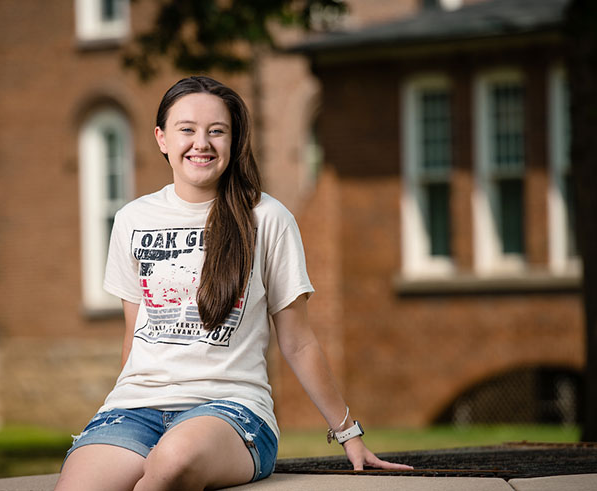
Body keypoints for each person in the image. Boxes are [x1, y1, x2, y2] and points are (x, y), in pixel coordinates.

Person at [55, 76, 412, 491]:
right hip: (136, 410)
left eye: (217, 131)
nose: (201, 143)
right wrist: (126, 399)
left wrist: (348, 431)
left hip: (232, 410)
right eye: (186, 129)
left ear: (233, 139)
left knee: (170, 464)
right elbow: (134, 335)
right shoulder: (133, 219)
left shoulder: (267, 218)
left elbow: (298, 341)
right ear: (162, 139)